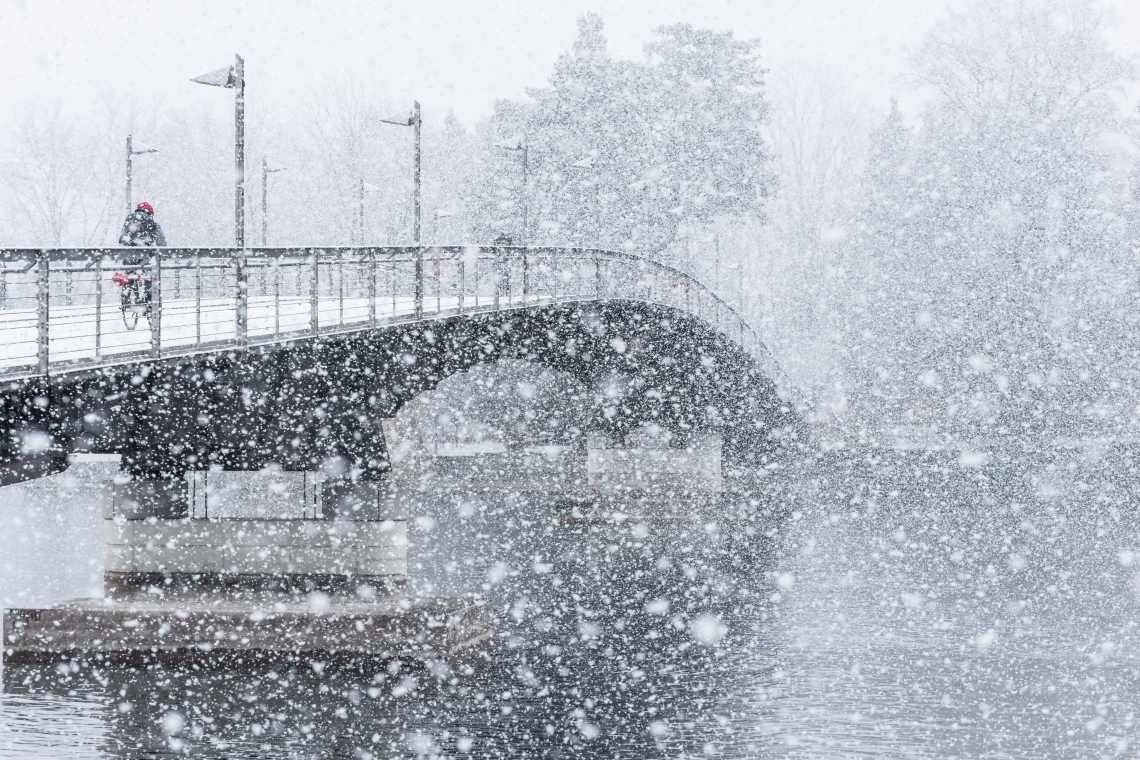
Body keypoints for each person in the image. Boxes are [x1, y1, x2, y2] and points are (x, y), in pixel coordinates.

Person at [116, 201, 166, 313]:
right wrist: (161, 253)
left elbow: (121, 238)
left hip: (128, 255)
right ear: (150, 213)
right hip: (145, 256)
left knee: (129, 275)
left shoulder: (129, 220)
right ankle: (149, 303)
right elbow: (162, 243)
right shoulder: (153, 224)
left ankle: (126, 299)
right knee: (149, 277)